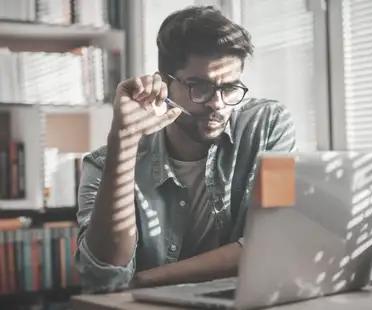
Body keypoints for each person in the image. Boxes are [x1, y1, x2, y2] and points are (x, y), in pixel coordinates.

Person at [75, 5, 297, 294]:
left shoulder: (267, 126)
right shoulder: (104, 165)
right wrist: (123, 140)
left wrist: (146, 279)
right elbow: (104, 276)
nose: (217, 104)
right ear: (165, 83)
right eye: (199, 86)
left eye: (230, 87)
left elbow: (274, 243)